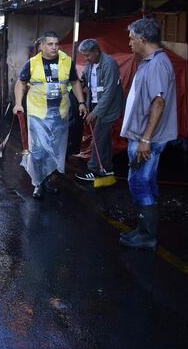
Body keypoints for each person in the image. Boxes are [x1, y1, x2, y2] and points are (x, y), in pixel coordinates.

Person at [119, 18, 177, 250]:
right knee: (143, 181)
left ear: (143, 39)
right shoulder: (148, 61)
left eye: (132, 38)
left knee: (140, 182)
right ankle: (143, 230)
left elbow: (159, 103)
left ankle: (147, 236)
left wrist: (145, 139)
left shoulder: (157, 64)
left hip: (148, 138)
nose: (129, 43)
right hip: (143, 136)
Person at [14, 31, 87, 199]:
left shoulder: (66, 61)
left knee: (54, 151)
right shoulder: (32, 63)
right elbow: (21, 83)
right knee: (39, 151)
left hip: (59, 113)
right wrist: (18, 103)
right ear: (41, 46)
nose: (54, 47)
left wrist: (81, 103)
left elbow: (74, 82)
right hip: (38, 114)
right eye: (50, 44)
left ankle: (47, 180)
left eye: (56, 44)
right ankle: (38, 183)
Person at [75, 39, 124, 181]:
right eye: (84, 56)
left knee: (98, 137)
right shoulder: (90, 65)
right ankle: (107, 168)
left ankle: (94, 170)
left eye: (88, 55)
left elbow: (109, 93)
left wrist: (95, 113)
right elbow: (84, 81)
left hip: (108, 107)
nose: (86, 59)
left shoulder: (109, 64)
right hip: (95, 104)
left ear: (96, 51)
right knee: (104, 138)